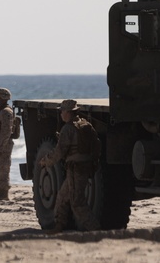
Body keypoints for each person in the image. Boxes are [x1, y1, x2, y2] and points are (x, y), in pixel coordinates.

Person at [38, 99, 101, 232]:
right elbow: (96, 145)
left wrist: (46, 161)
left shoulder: (68, 129)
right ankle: (59, 226)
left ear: (69, 113)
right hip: (83, 167)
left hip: (75, 169)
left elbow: (59, 152)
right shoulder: (85, 124)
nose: (61, 114)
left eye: (62, 111)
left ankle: (95, 230)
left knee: (77, 203)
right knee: (62, 197)